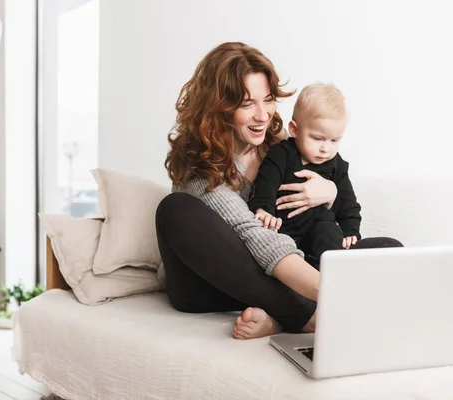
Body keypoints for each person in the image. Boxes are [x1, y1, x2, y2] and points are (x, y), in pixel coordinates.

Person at [155, 42, 402, 340]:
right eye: (247, 104)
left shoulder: (279, 145)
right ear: (217, 107)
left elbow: (314, 222)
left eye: (268, 99)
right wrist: (334, 292)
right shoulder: (198, 165)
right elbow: (250, 233)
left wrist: (331, 193)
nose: (263, 115)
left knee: (388, 251)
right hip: (213, 282)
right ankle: (305, 316)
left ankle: (277, 317)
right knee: (174, 209)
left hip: (277, 265)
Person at [248, 83, 360, 270]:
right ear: (294, 130)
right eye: (317, 138)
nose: (326, 148)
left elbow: (348, 202)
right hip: (285, 234)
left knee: (333, 232)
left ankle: (328, 277)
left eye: (334, 140)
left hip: (322, 235)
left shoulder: (336, 164)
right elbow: (266, 183)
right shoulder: (282, 154)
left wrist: (351, 231)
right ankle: (315, 284)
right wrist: (264, 210)